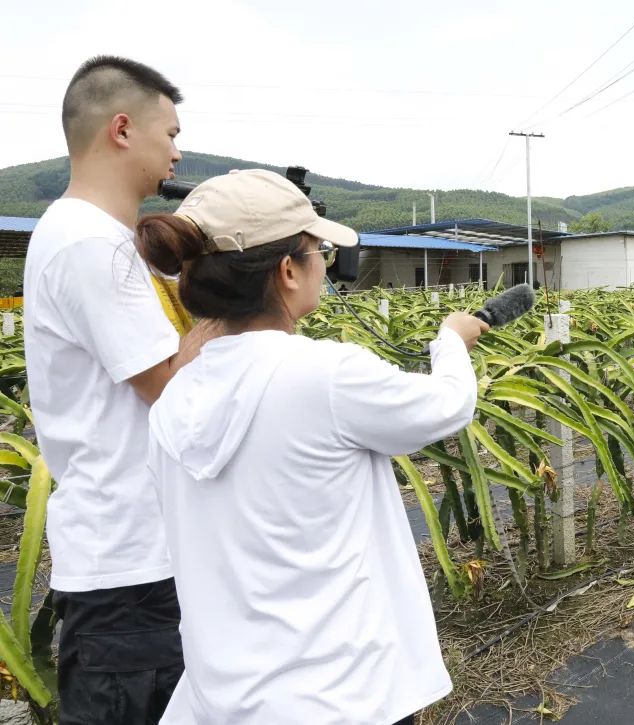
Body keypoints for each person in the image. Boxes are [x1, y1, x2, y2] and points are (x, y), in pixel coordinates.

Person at [134, 169, 489, 724]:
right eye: (319, 249)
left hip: (223, 699)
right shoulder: (323, 375)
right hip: (341, 694)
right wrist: (450, 340)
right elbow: (446, 406)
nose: (327, 262)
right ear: (287, 270)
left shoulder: (174, 401)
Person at [23, 55, 217, 723]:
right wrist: (241, 306)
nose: (177, 151)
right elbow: (172, 388)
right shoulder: (88, 244)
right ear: (123, 129)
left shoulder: (105, 240)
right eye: (171, 133)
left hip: (136, 561)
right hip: (129, 572)